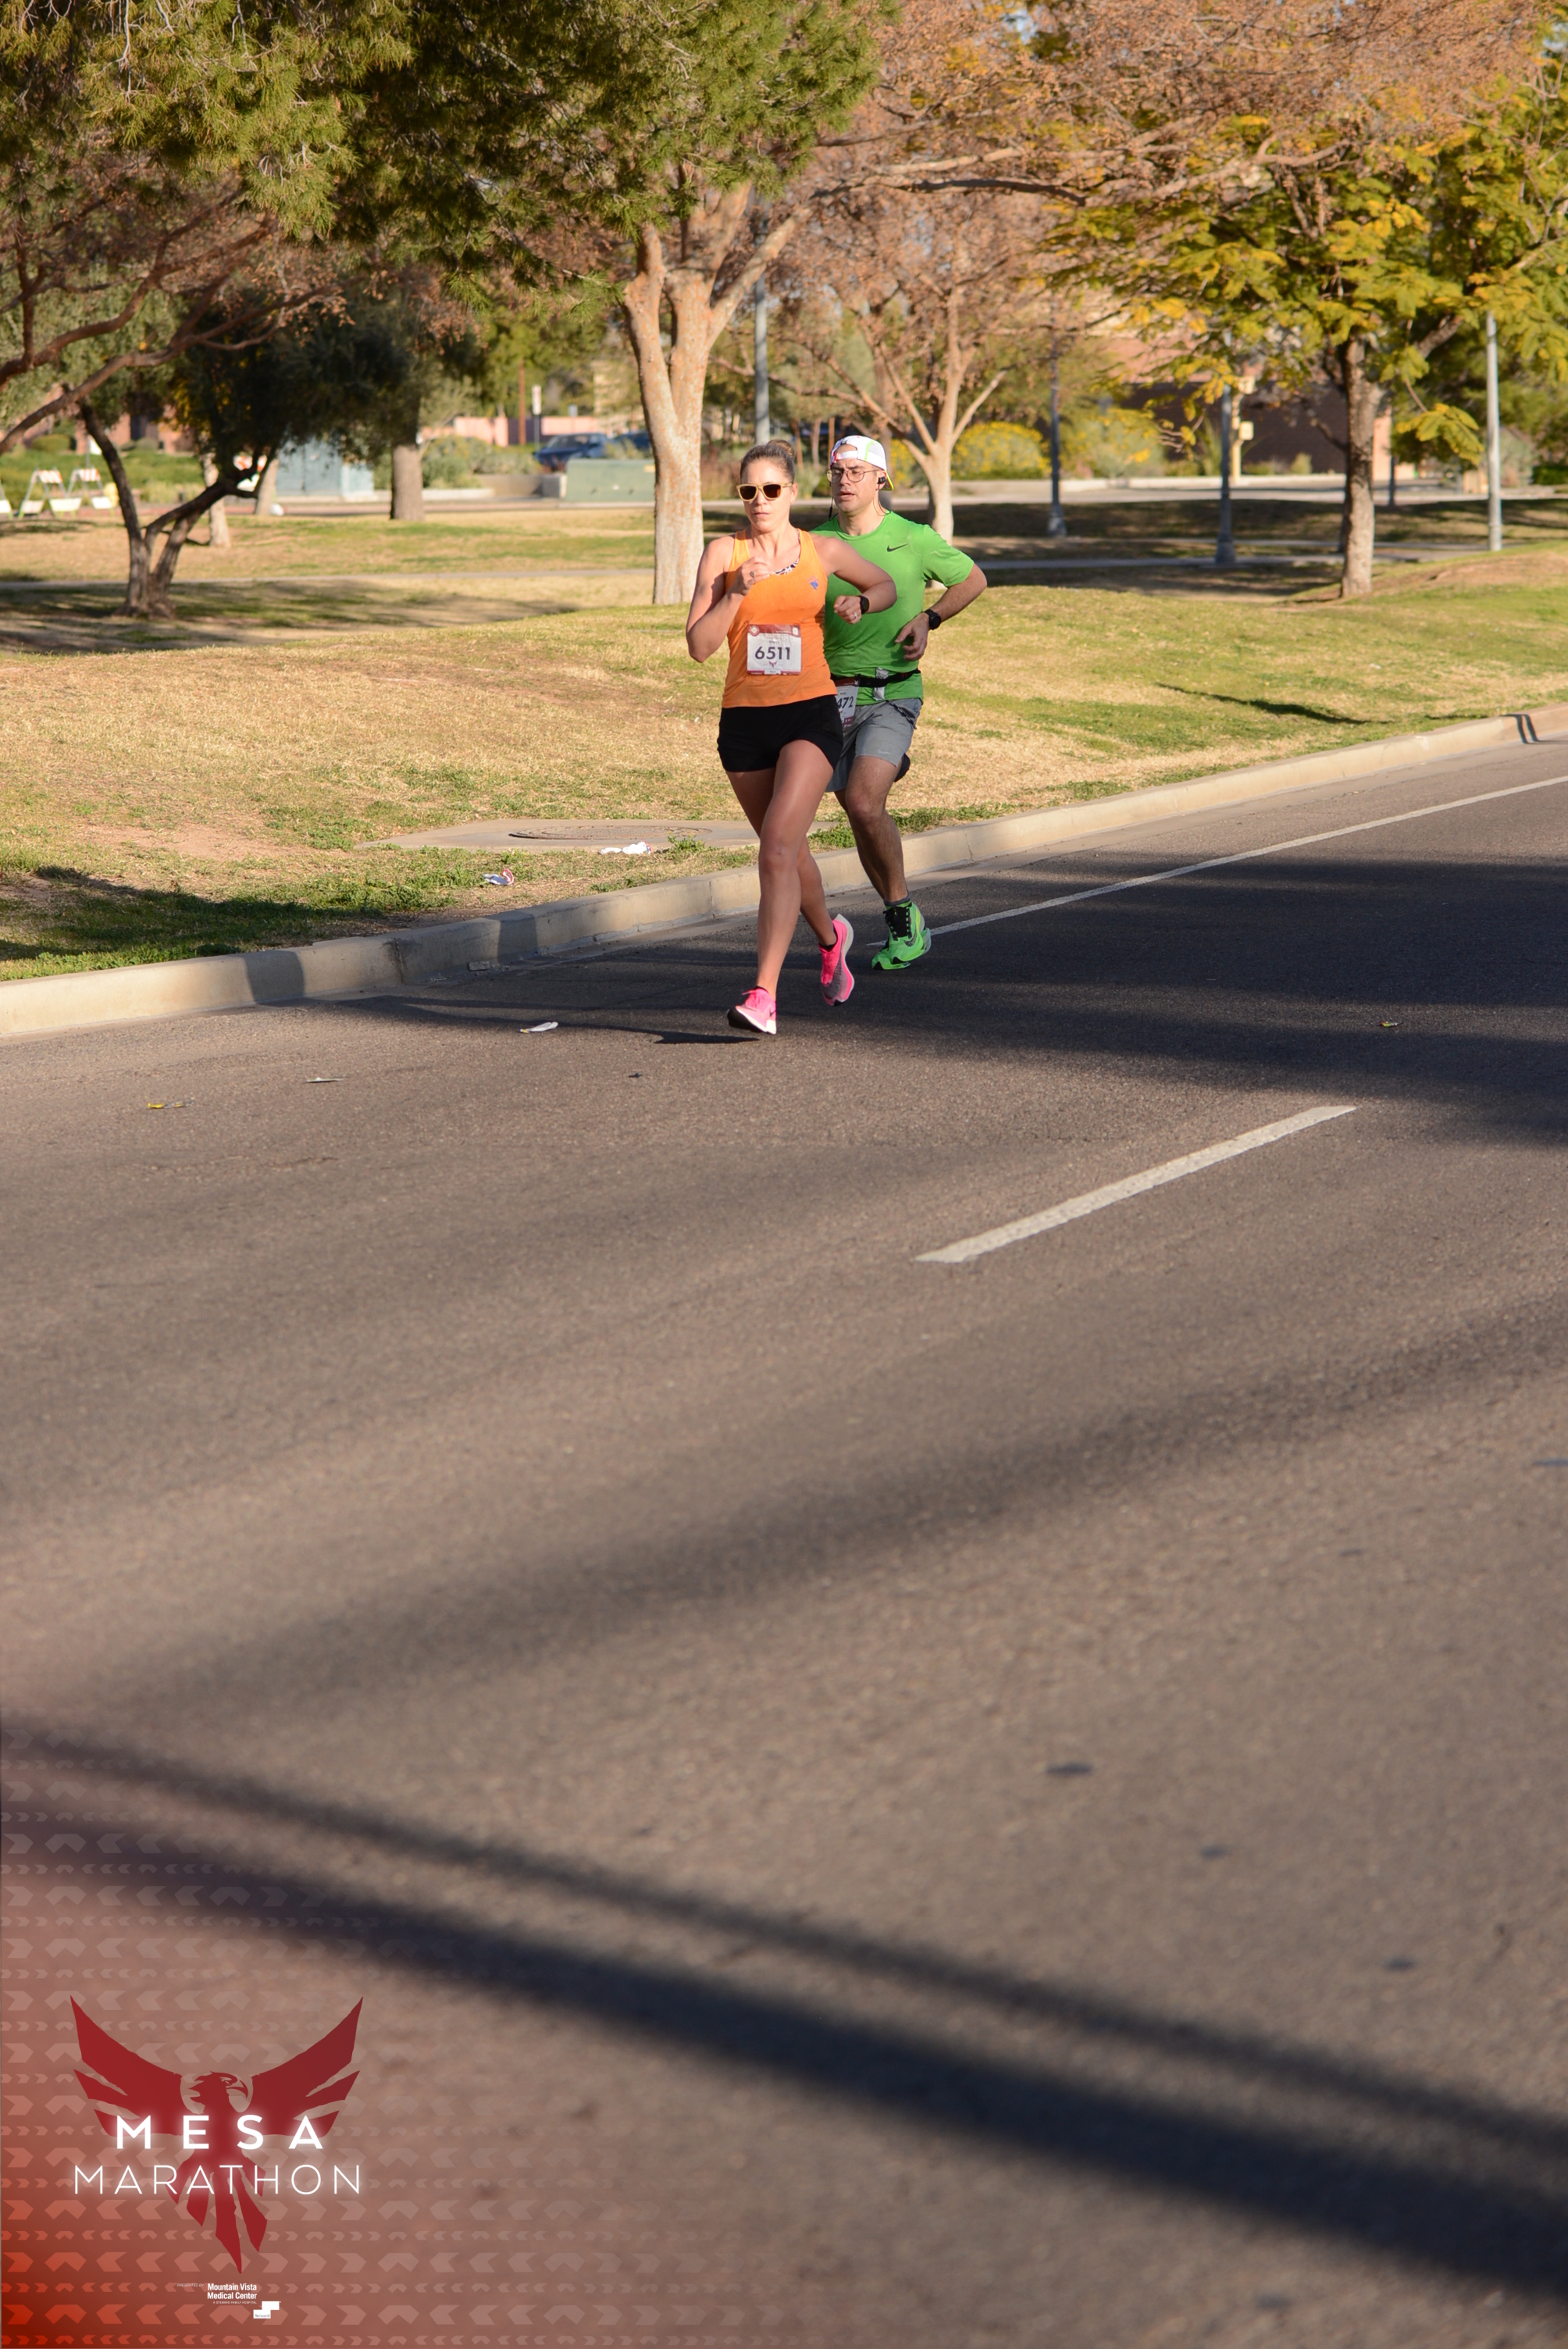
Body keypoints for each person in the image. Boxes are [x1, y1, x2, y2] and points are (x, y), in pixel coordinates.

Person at [686, 439, 895, 1036]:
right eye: (749, 491)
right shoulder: (723, 554)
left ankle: (764, 995)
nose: (760, 500)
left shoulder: (820, 549)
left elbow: (884, 586)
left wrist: (861, 602)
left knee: (777, 848)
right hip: (744, 723)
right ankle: (832, 940)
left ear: (792, 493)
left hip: (809, 714)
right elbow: (699, 647)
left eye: (771, 489)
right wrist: (735, 591)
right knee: (790, 853)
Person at [817, 434, 988, 968]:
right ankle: (900, 906)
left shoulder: (912, 538)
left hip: (893, 690)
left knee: (865, 803)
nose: (845, 481)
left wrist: (929, 618)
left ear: (881, 480)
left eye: (857, 472)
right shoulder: (812, 543)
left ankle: (902, 921)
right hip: (830, 696)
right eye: (838, 471)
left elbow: (974, 578)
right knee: (859, 815)